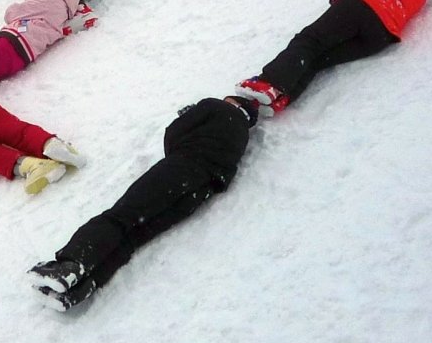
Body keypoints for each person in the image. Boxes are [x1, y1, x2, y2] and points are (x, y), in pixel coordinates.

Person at [28, 95, 259, 311]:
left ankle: (70, 266)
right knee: (134, 236)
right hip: (198, 192)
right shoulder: (242, 138)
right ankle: (81, 288)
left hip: (180, 168)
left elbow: (175, 131)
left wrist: (177, 151)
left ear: (233, 101)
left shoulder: (216, 106)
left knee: (121, 216)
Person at [234, 0, 432, 116]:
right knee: (319, 59)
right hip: (381, 36)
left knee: (310, 41)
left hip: (362, 5)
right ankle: (283, 98)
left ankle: (269, 84)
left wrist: (337, 0)